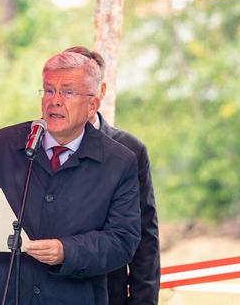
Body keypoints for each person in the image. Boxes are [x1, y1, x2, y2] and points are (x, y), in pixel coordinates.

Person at [0, 51, 141, 304]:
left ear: (92, 105)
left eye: (68, 92)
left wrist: (66, 251)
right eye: (49, 90)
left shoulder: (119, 161)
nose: (55, 101)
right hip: (6, 297)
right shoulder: (3, 143)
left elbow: (123, 241)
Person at [64, 46, 160, 305]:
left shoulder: (130, 150)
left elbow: (145, 238)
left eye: (72, 90)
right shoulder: (33, 144)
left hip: (106, 294)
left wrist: (143, 301)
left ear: (100, 92)